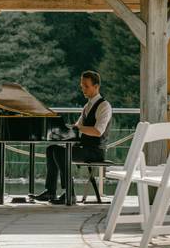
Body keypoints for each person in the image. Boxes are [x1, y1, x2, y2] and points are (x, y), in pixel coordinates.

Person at [34, 71, 112, 204]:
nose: (83, 89)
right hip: (84, 148)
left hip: (95, 151)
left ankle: (70, 194)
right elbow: (76, 127)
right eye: (82, 86)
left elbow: (98, 131)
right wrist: (59, 129)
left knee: (60, 152)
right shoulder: (87, 106)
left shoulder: (104, 106)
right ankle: (50, 192)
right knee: (51, 148)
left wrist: (78, 128)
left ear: (96, 86)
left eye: (86, 86)